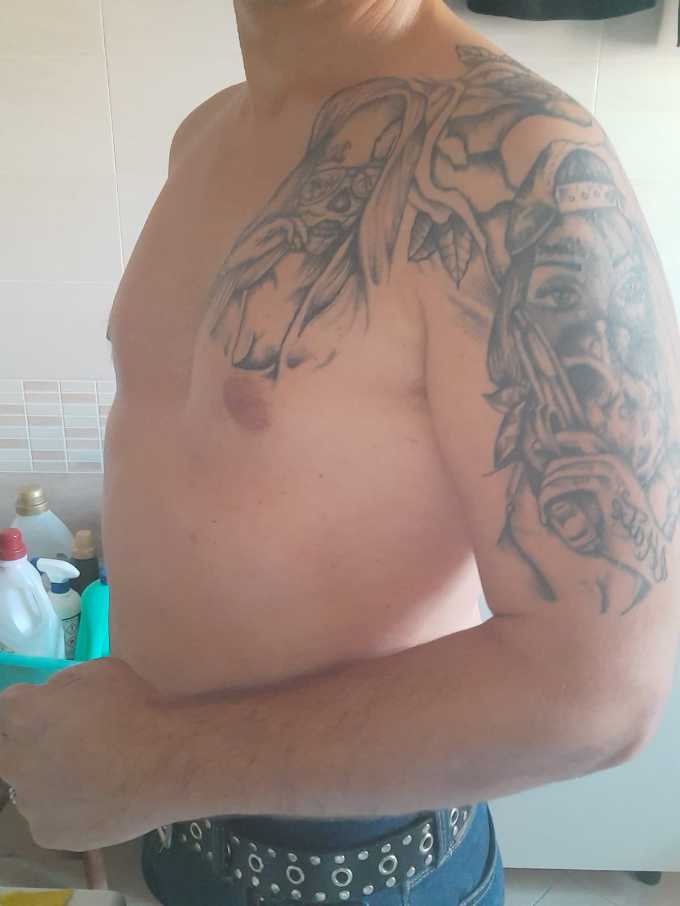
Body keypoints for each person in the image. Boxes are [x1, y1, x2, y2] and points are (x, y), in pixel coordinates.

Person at [1, 2, 679, 905]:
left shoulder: (526, 161)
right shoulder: (207, 132)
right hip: (175, 831)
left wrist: (152, 762)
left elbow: (598, 697)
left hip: (358, 867)